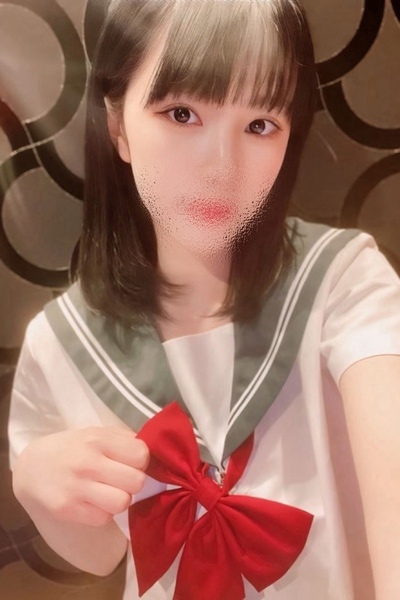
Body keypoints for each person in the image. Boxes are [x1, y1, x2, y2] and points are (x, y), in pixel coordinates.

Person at [8, 0, 400, 599]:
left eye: (260, 125)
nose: (222, 167)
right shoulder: (60, 341)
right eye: (182, 113)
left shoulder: (343, 283)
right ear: (118, 128)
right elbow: (98, 554)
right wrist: (36, 486)